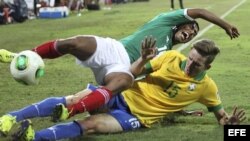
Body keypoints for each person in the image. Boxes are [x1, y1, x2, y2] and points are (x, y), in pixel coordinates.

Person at [0, 8, 240, 123]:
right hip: (114, 48)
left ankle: (70, 111)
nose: (190, 33)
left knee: (118, 85)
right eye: (189, 27)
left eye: (193, 34)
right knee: (73, 42)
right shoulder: (164, 21)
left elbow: (149, 77)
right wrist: (225, 25)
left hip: (125, 67)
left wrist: (169, 108)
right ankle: (21, 57)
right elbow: (199, 12)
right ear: (180, 24)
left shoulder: (171, 53)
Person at [2, 39, 246, 141]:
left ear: (208, 66)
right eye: (190, 58)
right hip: (122, 94)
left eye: (197, 64)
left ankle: (32, 137)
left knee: (92, 125)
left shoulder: (207, 88)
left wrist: (232, 127)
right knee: (75, 99)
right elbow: (130, 72)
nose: (190, 64)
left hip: (136, 117)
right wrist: (141, 59)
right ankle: (12, 116)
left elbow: (222, 118)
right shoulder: (170, 57)